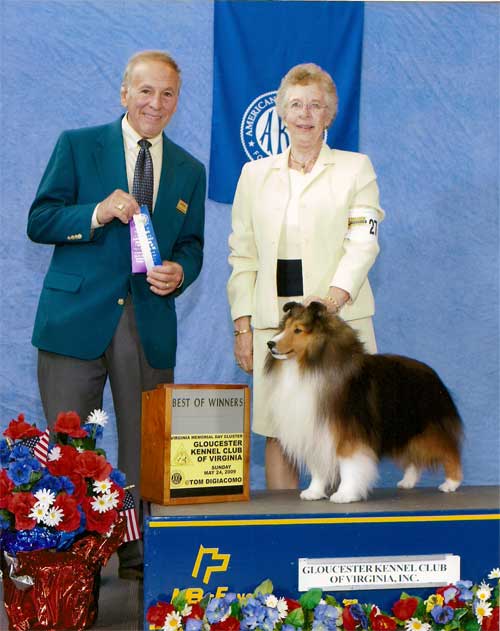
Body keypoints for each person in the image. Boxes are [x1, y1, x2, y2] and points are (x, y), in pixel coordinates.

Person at [27, 50, 206, 579]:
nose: (156, 103)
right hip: (74, 318)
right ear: (124, 92)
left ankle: (136, 550)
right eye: (146, 91)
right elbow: (40, 219)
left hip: (148, 320)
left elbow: (192, 244)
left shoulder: (190, 170)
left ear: (177, 102)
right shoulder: (77, 145)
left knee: (144, 446)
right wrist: (96, 212)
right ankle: (71, 555)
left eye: (167, 94)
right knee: (68, 445)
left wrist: (180, 271)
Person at [227, 63, 384, 490]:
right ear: (281, 112)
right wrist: (243, 326)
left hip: (338, 323)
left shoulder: (356, 169)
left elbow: (363, 240)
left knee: (343, 424)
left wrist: (331, 300)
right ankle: (283, 526)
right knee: (282, 433)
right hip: (274, 326)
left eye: (316, 105)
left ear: (330, 113)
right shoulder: (254, 175)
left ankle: (341, 523)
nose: (305, 114)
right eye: (296, 105)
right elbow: (243, 255)